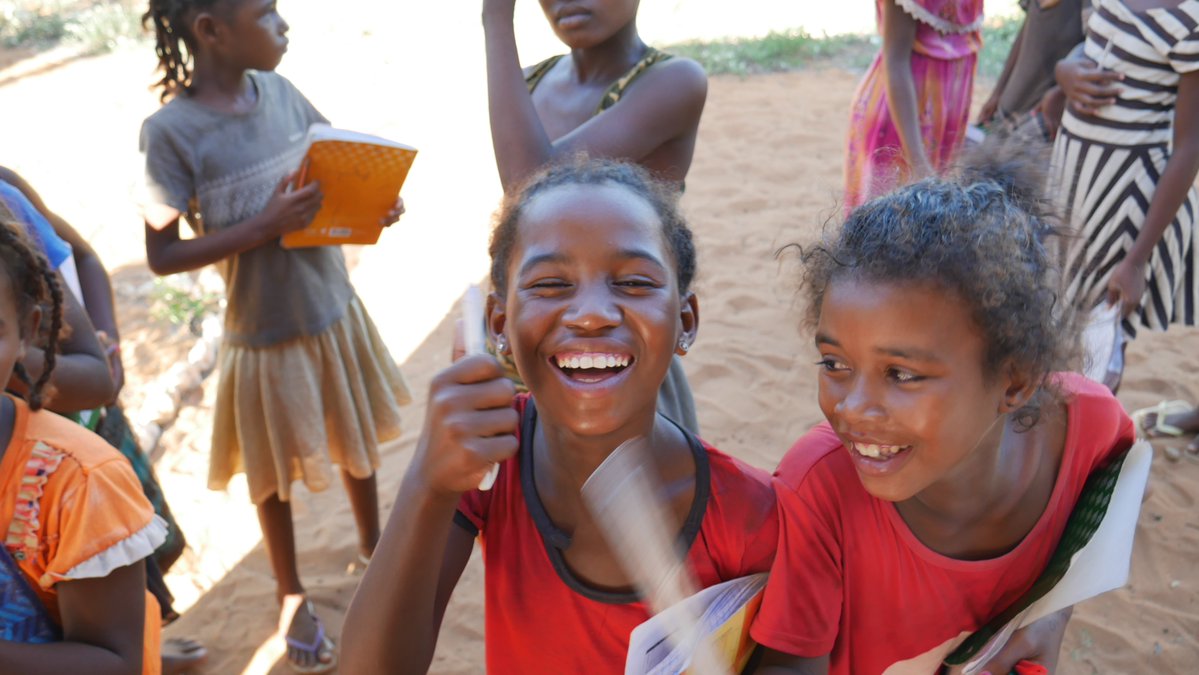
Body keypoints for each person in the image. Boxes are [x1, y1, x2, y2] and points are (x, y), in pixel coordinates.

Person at [340, 158, 777, 673]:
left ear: (685, 321)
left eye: (634, 283)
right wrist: (426, 485)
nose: (591, 313)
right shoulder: (485, 468)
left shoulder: (751, 515)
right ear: (499, 324)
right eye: (550, 284)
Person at [749, 146, 1136, 674]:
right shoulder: (820, 489)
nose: (852, 408)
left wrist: (1051, 615)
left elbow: (1091, 534)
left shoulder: (1088, 429)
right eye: (835, 363)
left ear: (1015, 381)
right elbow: (788, 665)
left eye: (902, 374)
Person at [138, 0, 411, 671]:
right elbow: (163, 256)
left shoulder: (283, 92)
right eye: (266, 12)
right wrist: (264, 224)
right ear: (210, 30)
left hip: (329, 306)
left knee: (353, 435)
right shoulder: (170, 132)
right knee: (271, 472)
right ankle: (290, 589)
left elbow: (336, 159)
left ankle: (373, 541)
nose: (283, 23)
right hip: (260, 328)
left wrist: (376, 197)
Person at [0, 167, 206, 673]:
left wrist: (106, 338)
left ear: (24, 331)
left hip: (70, 456)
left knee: (127, 594)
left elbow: (114, 661)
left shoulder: (80, 483)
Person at [480, 0, 707, 435]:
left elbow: (531, 188)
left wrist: (495, 18)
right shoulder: (533, 81)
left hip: (616, 350)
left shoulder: (673, 81)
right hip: (534, 336)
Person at [1048, 0, 1199, 396]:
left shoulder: (1190, 19)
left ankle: (1091, 447)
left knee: (1100, 339)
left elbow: (1190, 146)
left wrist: (1136, 260)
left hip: (1127, 203)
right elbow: (1098, 47)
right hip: (1072, 185)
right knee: (1053, 316)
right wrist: (1064, 72)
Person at [845, 0, 984, 210]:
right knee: (886, 224)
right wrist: (917, 161)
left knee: (926, 217)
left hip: (943, 120)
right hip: (904, 123)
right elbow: (896, 61)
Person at [977, 0, 1087, 142]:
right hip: (1010, 105)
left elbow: (1092, 51)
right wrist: (997, 93)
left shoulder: (1090, 5)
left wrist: (1059, 91)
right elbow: (1026, 31)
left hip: (1040, 121)